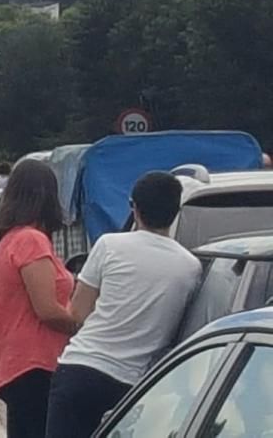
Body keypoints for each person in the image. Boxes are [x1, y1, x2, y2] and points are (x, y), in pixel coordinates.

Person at [45, 172, 202, 438]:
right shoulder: (191, 267)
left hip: (80, 369)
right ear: (176, 212)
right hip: (133, 386)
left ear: (134, 208)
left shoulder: (109, 245)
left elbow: (77, 312)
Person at [0, 159, 76, 438]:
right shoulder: (31, 241)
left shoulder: (2, 242)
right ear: (46, 197)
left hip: (14, 364)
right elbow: (47, 310)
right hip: (37, 364)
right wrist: (82, 324)